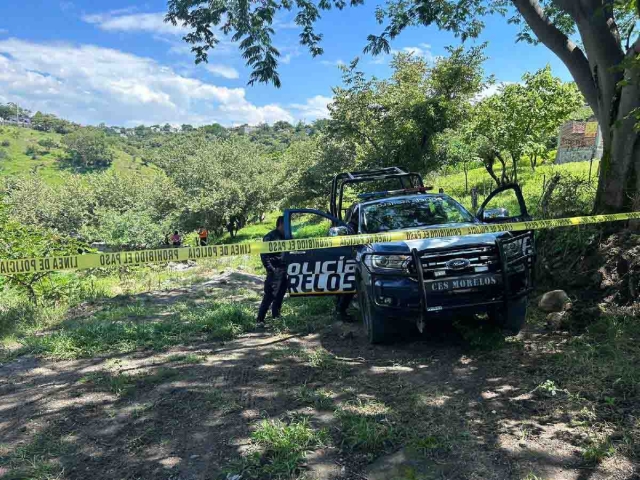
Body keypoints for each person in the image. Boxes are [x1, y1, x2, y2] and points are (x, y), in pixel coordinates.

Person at [257, 216, 287, 328]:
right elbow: (264, 255)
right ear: (280, 224)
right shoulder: (270, 236)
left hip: (284, 270)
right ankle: (260, 320)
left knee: (280, 295)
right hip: (275, 271)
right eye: (286, 225)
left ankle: (276, 316)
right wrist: (271, 269)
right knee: (270, 295)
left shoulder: (285, 236)